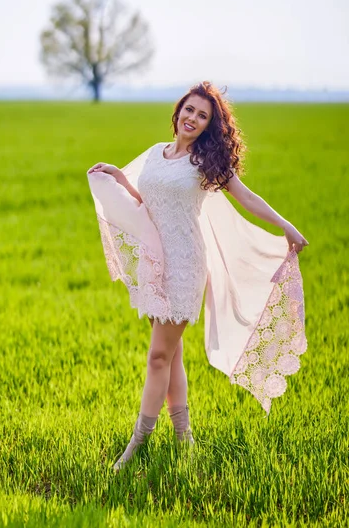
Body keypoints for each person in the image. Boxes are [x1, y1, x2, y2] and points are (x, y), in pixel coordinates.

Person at [87, 81, 309, 472]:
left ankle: (136, 444)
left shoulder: (204, 165)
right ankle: (184, 438)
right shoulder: (157, 154)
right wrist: (120, 180)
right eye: (189, 110)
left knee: (158, 356)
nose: (193, 118)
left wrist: (285, 225)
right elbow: (148, 203)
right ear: (178, 112)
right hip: (159, 265)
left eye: (202, 115)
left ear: (209, 126)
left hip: (187, 266)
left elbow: (247, 198)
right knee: (170, 356)